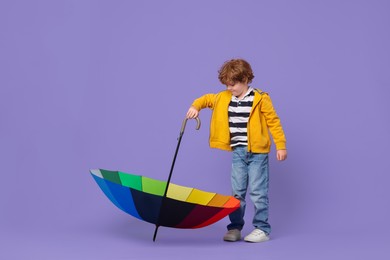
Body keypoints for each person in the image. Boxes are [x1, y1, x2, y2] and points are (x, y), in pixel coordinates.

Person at [186, 58, 287, 243]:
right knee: (236, 193)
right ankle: (235, 228)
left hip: (258, 154)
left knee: (258, 192)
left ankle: (262, 229)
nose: (230, 88)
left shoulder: (260, 98)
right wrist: (195, 106)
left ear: (246, 79)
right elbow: (207, 98)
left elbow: (274, 122)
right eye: (227, 84)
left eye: (233, 84)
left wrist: (281, 146)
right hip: (239, 152)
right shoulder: (224, 97)